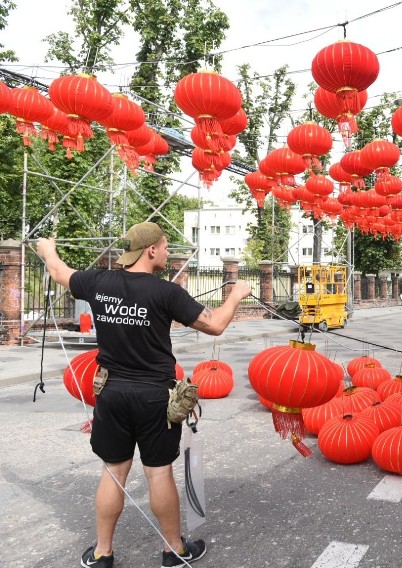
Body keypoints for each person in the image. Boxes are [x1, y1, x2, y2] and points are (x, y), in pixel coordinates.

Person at [37, 222, 252, 568]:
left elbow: (59, 271)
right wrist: (237, 294)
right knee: (159, 473)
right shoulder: (165, 292)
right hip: (155, 397)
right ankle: (174, 550)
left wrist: (47, 248)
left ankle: (102, 553)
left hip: (111, 393)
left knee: (113, 472)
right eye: (166, 247)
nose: (167, 253)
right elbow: (214, 324)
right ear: (151, 250)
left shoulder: (98, 282)